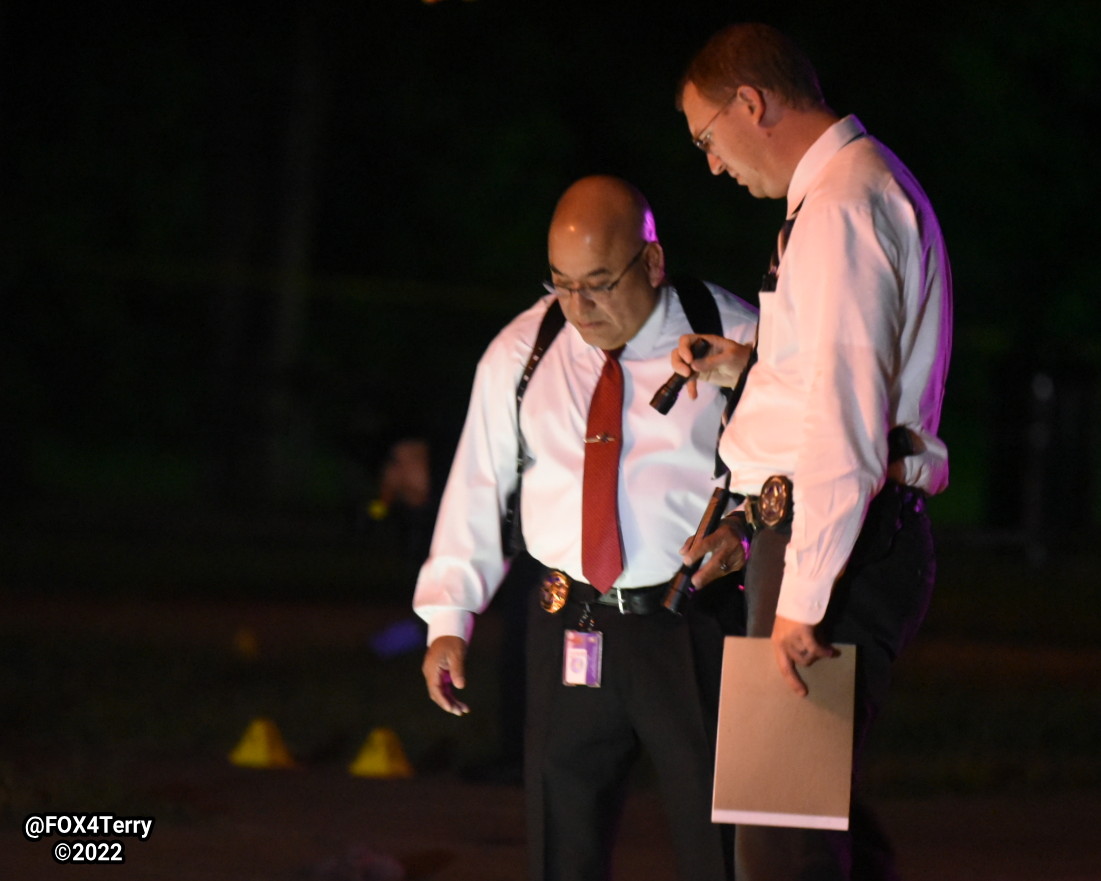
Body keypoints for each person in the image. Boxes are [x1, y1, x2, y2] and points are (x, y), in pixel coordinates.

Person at [413, 175, 757, 881]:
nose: (580, 305)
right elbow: (478, 482)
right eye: (562, 283)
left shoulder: (736, 334)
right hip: (568, 623)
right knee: (560, 837)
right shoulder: (525, 348)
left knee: (720, 840)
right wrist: (448, 617)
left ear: (652, 263)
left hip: (692, 621)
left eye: (599, 281)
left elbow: (797, 466)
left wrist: (746, 532)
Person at [672, 22, 952, 881]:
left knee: (779, 839)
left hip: (831, 543)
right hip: (824, 534)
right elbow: (829, 377)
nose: (713, 165)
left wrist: (800, 596)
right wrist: (749, 370)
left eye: (707, 138)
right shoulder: (845, 193)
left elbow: (842, 423)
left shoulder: (839, 207)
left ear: (749, 104)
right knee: (808, 827)